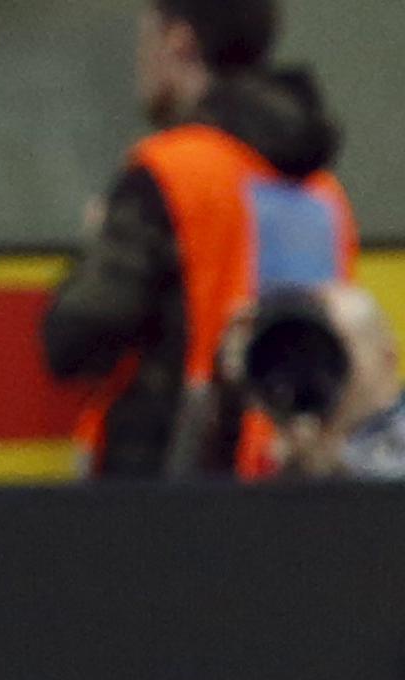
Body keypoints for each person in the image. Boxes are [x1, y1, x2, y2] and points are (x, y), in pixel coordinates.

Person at [40, 0, 358, 480]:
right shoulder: (324, 194)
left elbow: (73, 339)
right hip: (291, 476)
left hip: (174, 481)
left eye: (146, 39)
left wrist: (93, 247)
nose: (139, 63)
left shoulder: (169, 172)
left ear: (178, 41)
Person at [248, 285, 405, 480]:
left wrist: (333, 471)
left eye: (331, 348)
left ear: (386, 356)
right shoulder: (290, 438)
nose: (317, 366)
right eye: (304, 352)